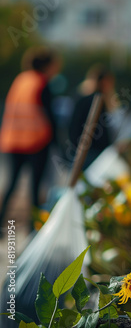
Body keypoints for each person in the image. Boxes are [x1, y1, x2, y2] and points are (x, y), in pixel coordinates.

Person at [0, 46, 61, 231]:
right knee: (35, 188)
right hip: (35, 142)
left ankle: (2, 224)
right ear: (47, 65)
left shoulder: (21, 80)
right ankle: (33, 229)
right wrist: (57, 143)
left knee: (11, 185)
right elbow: (49, 116)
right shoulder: (41, 83)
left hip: (12, 140)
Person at [68, 64, 118, 169]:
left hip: (81, 149)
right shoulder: (98, 101)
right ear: (104, 81)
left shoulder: (81, 98)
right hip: (92, 151)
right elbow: (102, 130)